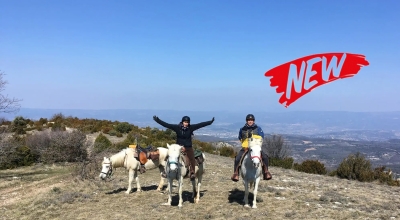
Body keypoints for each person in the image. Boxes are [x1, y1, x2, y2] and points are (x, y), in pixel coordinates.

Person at [153, 115, 214, 180]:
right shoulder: (177, 128)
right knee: (169, 156)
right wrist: (158, 120)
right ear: (182, 122)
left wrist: (210, 122)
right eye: (185, 122)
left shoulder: (191, 128)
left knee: (192, 158)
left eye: (187, 122)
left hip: (188, 147)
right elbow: (167, 125)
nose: (186, 123)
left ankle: (192, 172)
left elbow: (200, 125)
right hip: (178, 147)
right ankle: (166, 171)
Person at [231, 114, 272, 182]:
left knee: (265, 157)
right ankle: (236, 173)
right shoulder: (242, 129)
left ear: (253, 121)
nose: (250, 121)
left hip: (255, 148)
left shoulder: (258, 128)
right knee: (238, 158)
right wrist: (244, 144)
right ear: (246, 121)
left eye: (251, 120)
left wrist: (252, 137)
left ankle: (266, 172)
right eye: (249, 120)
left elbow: (261, 137)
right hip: (245, 148)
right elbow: (240, 137)